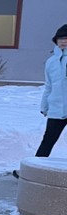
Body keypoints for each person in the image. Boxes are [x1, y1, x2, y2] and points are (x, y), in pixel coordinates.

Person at [36, 25, 67, 157]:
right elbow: (48, 86)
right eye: (60, 39)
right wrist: (44, 106)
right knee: (47, 141)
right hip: (56, 109)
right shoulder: (51, 62)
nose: (63, 41)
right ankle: (35, 166)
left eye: (66, 38)